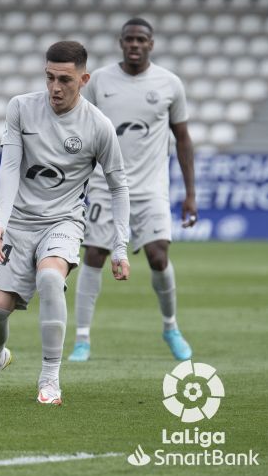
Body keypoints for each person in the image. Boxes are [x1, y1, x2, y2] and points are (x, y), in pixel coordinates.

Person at [0, 41, 131, 406]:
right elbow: (9, 168)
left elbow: (119, 186)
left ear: (83, 79)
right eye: (50, 77)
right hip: (18, 223)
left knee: (51, 278)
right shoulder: (21, 107)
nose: (55, 87)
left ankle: (50, 375)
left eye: (65, 80)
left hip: (64, 220)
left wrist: (120, 245)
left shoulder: (98, 126)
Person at [69, 18, 196, 362]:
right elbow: (82, 129)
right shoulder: (100, 82)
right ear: (121, 42)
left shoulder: (170, 84)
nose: (135, 45)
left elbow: (182, 139)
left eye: (142, 39)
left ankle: (170, 327)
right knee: (94, 255)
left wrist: (190, 194)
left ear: (151, 44)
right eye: (130, 39)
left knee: (158, 256)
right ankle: (82, 340)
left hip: (151, 187)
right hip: (104, 186)